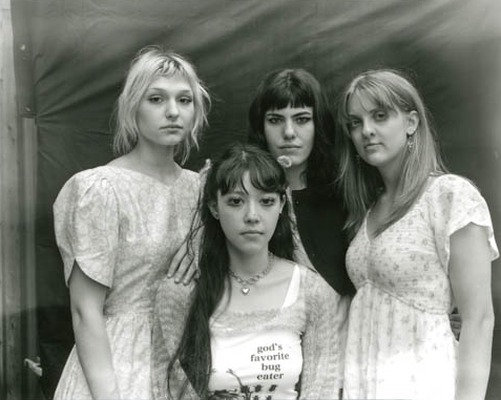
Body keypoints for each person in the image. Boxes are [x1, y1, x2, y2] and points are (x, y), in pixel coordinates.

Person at [52, 45, 210, 400]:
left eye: (184, 100)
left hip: (183, 361)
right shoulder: (100, 189)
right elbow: (84, 310)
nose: (173, 111)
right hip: (118, 362)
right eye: (156, 99)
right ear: (133, 106)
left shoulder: (199, 189)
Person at [336, 68, 498, 400]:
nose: (366, 130)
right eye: (355, 122)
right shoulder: (367, 209)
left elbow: (479, 319)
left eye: (380, 116)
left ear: (411, 123)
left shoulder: (449, 196)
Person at [152, 144, 346, 399]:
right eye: (236, 201)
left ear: (281, 204)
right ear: (214, 207)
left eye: (266, 201)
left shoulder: (311, 291)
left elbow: (322, 390)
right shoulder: (182, 292)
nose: (252, 216)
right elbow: (168, 387)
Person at [247, 67, 355, 299]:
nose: (288, 132)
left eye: (302, 119)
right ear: (261, 127)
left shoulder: (346, 191)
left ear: (318, 124)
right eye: (275, 120)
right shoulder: (244, 197)